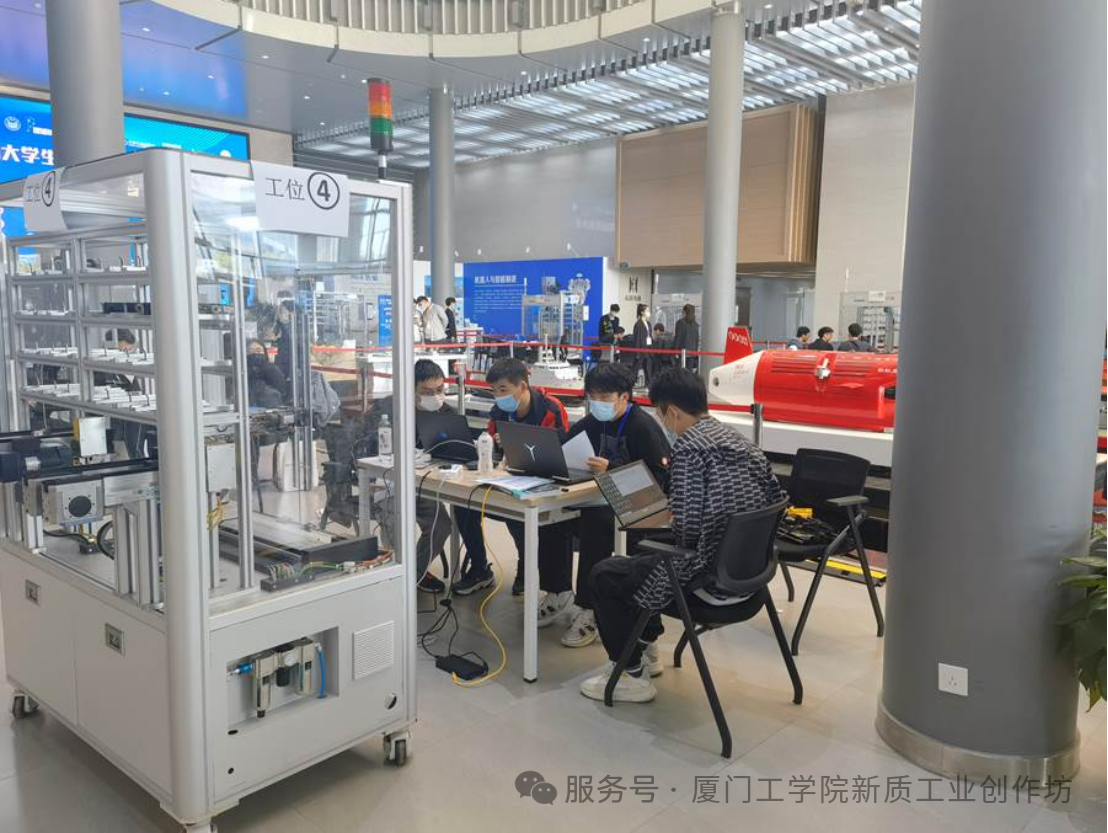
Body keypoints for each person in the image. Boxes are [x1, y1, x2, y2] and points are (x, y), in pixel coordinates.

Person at [579, 368, 786, 703]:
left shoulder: (689, 449)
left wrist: (661, 517)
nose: (662, 423)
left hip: (709, 582)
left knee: (607, 574)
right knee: (643, 558)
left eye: (661, 415)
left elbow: (687, 533)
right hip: (751, 578)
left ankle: (629, 672)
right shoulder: (742, 443)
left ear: (672, 412)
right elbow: (775, 499)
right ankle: (645, 647)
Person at [559, 364, 671, 648]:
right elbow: (564, 445)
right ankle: (556, 590)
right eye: (593, 396)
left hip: (643, 505)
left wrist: (612, 469)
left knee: (595, 522)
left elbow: (659, 480)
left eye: (605, 397)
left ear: (624, 396)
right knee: (555, 521)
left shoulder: (643, 426)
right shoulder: (592, 422)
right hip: (602, 496)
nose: (597, 403)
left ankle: (590, 608)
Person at [484, 358, 574, 603]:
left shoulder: (550, 408)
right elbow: (489, 445)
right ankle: (479, 569)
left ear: (522, 386)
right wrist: (497, 443)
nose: (498, 396)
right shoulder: (498, 411)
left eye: (503, 390)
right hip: (511, 478)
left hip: (546, 481)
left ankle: (534, 573)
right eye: (494, 391)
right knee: (466, 508)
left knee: (525, 518)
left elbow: (561, 448)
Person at [411, 360, 494, 594]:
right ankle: (389, 573)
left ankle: (414, 573)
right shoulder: (394, 411)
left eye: (439, 390)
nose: (435, 396)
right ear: (411, 389)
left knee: (443, 523)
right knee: (392, 519)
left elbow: (459, 449)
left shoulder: (448, 414)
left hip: (430, 482)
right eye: (427, 392)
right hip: (392, 482)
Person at [246, 338, 287, 407]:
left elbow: (281, 388)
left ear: (264, 352)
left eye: (258, 350)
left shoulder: (272, 369)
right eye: (250, 351)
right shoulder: (242, 372)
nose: (255, 353)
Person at [631, 303, 653, 385]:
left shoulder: (648, 323)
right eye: (647, 311)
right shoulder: (638, 324)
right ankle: (630, 384)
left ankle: (649, 385)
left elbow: (650, 336)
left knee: (648, 369)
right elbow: (636, 338)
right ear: (642, 312)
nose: (649, 312)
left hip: (648, 349)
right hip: (640, 350)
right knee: (635, 369)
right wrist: (637, 352)